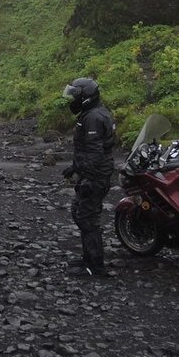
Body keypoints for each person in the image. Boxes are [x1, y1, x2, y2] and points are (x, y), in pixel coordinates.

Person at [61, 77, 116, 277]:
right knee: (81, 213)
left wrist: (87, 178)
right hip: (94, 172)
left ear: (86, 98)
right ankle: (88, 259)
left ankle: (95, 265)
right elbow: (88, 150)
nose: (71, 101)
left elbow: (94, 151)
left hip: (95, 175)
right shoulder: (93, 114)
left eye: (75, 96)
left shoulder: (92, 118)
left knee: (87, 217)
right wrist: (74, 167)